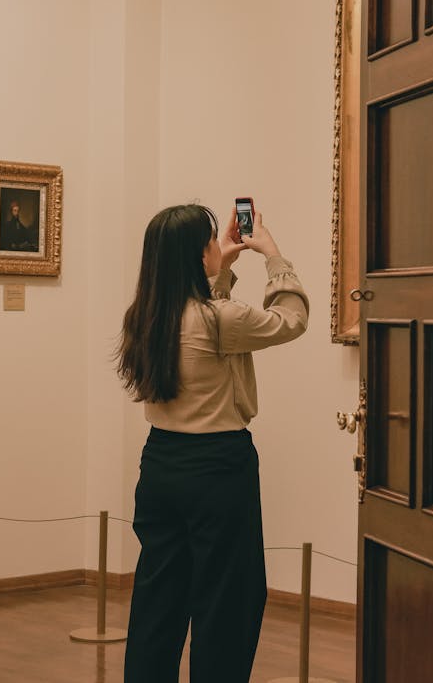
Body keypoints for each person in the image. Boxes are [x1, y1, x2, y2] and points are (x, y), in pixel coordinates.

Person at [116, 203, 310, 682]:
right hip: (217, 469)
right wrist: (273, 255)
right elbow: (292, 318)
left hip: (160, 464)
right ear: (193, 255)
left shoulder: (143, 316)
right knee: (227, 601)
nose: (214, 245)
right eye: (208, 241)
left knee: (159, 601)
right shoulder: (220, 319)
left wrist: (219, 269)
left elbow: (210, 316)